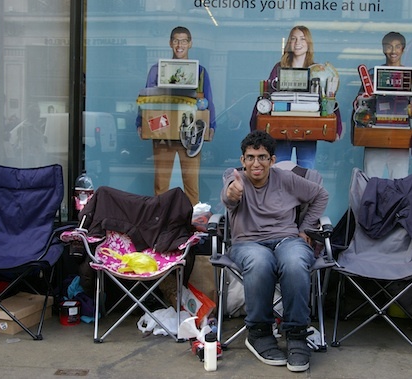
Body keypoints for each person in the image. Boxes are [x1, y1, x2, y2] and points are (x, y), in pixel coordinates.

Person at [221, 130, 328, 372]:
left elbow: (321, 195)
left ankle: (297, 334)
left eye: (262, 157)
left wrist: (306, 228)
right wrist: (232, 193)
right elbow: (229, 197)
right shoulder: (234, 177)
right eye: (250, 157)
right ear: (242, 160)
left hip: (286, 239)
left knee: (296, 261)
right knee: (260, 262)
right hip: (247, 243)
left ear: (272, 160)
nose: (255, 163)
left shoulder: (286, 179)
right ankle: (258, 333)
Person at [136, 26, 216, 206]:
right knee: (161, 183)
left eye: (184, 41)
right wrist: (140, 122)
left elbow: (209, 100)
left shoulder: (200, 71)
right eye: (176, 40)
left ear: (190, 43)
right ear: (170, 43)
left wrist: (211, 126)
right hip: (163, 132)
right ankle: (160, 223)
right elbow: (146, 99)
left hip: (191, 132)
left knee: (192, 184)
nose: (180, 45)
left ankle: (193, 225)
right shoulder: (157, 70)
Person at [249, 26, 342, 169]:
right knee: (279, 172)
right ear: (288, 43)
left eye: (302, 39)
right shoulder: (279, 67)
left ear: (309, 43)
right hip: (281, 128)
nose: (297, 42)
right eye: (293, 38)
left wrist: (337, 129)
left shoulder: (318, 70)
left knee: (306, 174)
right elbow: (267, 95)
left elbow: (329, 98)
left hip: (308, 128)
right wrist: (255, 126)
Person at [355, 31, 412, 179]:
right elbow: (360, 103)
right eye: (389, 46)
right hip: (375, 134)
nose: (393, 51)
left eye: (397, 47)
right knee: (371, 179)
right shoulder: (371, 74)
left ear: (403, 49)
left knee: (399, 181)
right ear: (383, 49)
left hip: (401, 135)